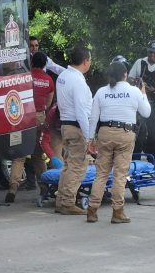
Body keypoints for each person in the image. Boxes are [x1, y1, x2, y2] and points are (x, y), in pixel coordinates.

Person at [86, 62, 151, 224]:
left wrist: (90, 139)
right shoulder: (134, 91)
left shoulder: (101, 92)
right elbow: (146, 113)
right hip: (125, 134)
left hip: (105, 133)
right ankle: (117, 212)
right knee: (120, 175)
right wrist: (144, 94)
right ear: (125, 74)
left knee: (101, 174)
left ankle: (92, 210)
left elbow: (93, 118)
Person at [5, 52, 54, 203]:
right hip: (39, 117)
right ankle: (45, 188)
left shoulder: (24, 76)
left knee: (18, 156)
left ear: (31, 62)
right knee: (38, 156)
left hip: (22, 118)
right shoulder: (49, 80)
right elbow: (48, 104)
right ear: (45, 64)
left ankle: (13, 188)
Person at [55, 45, 93, 215]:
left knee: (68, 165)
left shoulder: (63, 76)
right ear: (85, 61)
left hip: (65, 125)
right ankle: (68, 202)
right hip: (76, 127)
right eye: (90, 60)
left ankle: (61, 200)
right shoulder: (78, 81)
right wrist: (89, 137)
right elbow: (81, 112)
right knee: (77, 166)